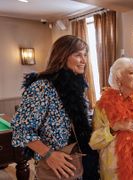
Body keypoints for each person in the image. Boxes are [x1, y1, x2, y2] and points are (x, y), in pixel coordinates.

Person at [11, 35, 99, 179]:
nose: (84, 60)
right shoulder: (42, 87)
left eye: (85, 55)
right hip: (55, 166)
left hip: (78, 163)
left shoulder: (77, 86)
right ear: (62, 56)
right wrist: (49, 154)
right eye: (78, 55)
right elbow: (20, 129)